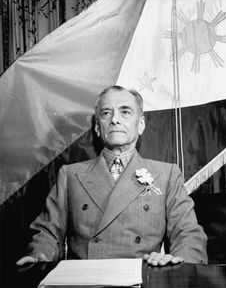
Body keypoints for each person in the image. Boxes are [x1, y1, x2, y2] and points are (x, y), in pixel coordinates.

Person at [17, 86, 208, 266]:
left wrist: (178, 262)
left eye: (125, 112)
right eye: (106, 113)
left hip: (142, 278)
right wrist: (39, 256)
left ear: (140, 125)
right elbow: (47, 232)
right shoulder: (70, 175)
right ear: (98, 128)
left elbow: (188, 234)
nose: (115, 119)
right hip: (85, 282)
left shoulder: (167, 175)